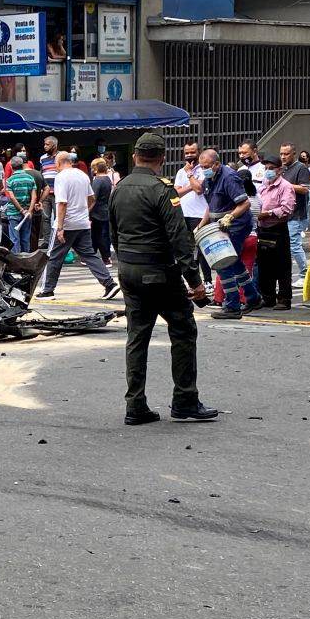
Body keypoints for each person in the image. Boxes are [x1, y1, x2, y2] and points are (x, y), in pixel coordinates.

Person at [109, 133, 216, 425]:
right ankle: (185, 399)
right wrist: (194, 281)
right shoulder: (162, 190)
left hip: (129, 269)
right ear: (163, 158)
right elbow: (180, 239)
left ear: (135, 157)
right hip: (158, 270)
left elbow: (113, 233)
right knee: (182, 328)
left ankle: (135, 404)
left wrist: (125, 262)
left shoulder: (119, 188)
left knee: (137, 334)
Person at [36, 152, 120, 300]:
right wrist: (83, 212)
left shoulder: (61, 177)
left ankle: (47, 290)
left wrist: (60, 227)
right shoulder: (82, 175)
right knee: (89, 255)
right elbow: (91, 198)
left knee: (54, 256)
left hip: (67, 223)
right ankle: (109, 283)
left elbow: (62, 203)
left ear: (59, 162)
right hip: (82, 223)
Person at [198, 149, 262, 319]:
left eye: (207, 166)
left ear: (216, 164)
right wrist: (200, 226)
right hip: (220, 225)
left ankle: (233, 305)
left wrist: (230, 217)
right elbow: (211, 207)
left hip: (236, 225)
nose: (204, 169)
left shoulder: (229, 177)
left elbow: (245, 204)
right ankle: (253, 297)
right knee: (234, 263)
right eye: (202, 166)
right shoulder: (209, 179)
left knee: (222, 263)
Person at [255, 155, 296, 310]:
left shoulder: (285, 187)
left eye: (271, 168)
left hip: (277, 229)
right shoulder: (263, 185)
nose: (268, 171)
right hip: (262, 229)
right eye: (266, 168)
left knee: (282, 266)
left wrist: (268, 213)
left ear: (279, 170)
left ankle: (284, 299)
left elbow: (287, 209)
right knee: (265, 266)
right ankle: (268, 297)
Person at [174, 141, 213, 292]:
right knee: (185, 249)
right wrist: (192, 184)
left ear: (199, 152)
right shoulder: (180, 172)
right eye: (187, 153)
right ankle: (191, 281)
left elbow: (199, 190)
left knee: (203, 249)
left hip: (200, 215)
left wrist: (190, 175)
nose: (189, 156)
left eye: (192, 152)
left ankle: (208, 280)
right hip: (184, 214)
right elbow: (176, 193)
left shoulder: (204, 170)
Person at [278, 142, 310, 286]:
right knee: (285, 246)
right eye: (281, 154)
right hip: (283, 213)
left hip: (296, 213)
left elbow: (305, 189)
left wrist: (285, 185)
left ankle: (305, 274)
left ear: (293, 154)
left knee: (294, 245)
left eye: (286, 154)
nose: (283, 157)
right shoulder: (282, 169)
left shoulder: (301, 168)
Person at [4, 157, 37, 253]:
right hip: (27, 213)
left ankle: (16, 261)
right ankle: (26, 259)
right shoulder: (30, 178)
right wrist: (29, 211)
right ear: (22, 165)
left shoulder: (10, 180)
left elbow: (12, 197)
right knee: (25, 239)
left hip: (13, 212)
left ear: (11, 166)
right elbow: (34, 197)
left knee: (14, 239)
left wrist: (21, 210)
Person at [89, 158, 113, 265]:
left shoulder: (98, 181)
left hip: (96, 212)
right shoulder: (108, 179)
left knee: (96, 235)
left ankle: (101, 257)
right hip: (105, 210)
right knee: (104, 235)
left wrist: (87, 210)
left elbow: (93, 198)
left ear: (95, 169)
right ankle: (106, 257)